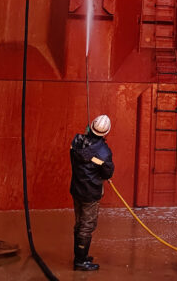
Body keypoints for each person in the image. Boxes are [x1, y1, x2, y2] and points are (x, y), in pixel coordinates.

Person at [70, 114, 114, 271]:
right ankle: (80, 262)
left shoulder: (76, 141)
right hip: (91, 193)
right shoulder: (104, 152)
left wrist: (87, 134)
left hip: (76, 189)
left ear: (91, 126)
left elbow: (78, 155)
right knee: (87, 226)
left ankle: (80, 256)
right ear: (106, 132)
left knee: (79, 223)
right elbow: (108, 173)